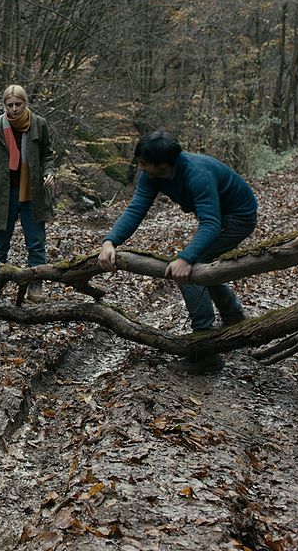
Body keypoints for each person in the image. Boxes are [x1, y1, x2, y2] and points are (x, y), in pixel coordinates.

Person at [98, 131, 258, 372]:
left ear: (162, 165)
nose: (140, 168)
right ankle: (234, 317)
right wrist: (110, 241)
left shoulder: (197, 174)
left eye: (143, 163)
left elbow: (211, 224)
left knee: (190, 272)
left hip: (238, 217)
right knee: (202, 266)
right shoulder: (153, 176)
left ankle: (205, 350)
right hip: (218, 217)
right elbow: (136, 209)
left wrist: (185, 258)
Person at [0, 84, 56, 301]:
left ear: (25, 103)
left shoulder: (39, 124)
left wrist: (49, 172)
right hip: (2, 193)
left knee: (36, 241)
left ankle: (35, 287)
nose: (14, 109)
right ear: (4, 105)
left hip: (32, 191)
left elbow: (47, 155)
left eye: (18, 104)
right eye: (9, 105)